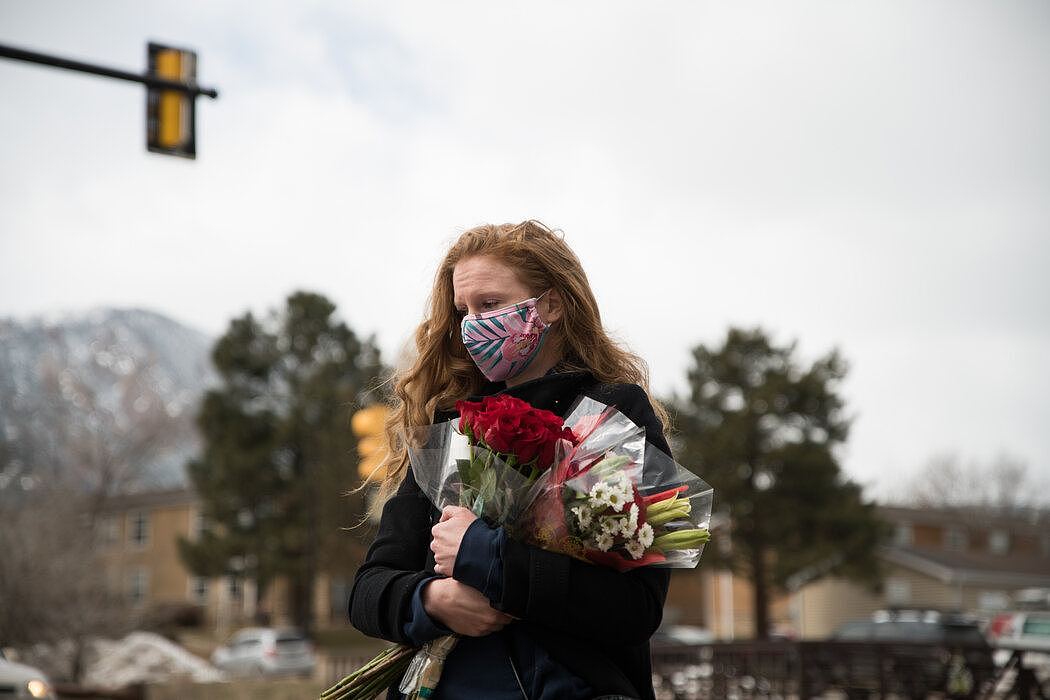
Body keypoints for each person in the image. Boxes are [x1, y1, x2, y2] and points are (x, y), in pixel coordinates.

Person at [349, 220, 674, 700]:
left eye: (490, 304)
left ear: (552, 304)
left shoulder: (610, 417)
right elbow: (368, 591)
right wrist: (434, 600)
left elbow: (635, 610)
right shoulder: (449, 429)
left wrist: (488, 558)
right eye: (463, 310)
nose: (472, 324)